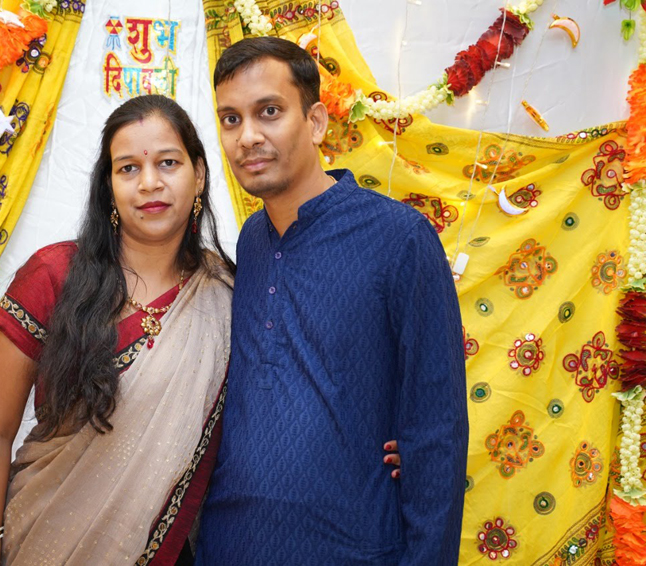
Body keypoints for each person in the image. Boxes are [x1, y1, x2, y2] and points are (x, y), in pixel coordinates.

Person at [194, 37, 468, 565]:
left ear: (316, 122)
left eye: (269, 112)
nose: (248, 137)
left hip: (352, 548)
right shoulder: (251, 242)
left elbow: (437, 430)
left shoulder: (399, 238)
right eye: (231, 119)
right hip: (232, 543)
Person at [0, 95, 235, 566]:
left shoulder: (227, 295)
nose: (149, 183)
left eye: (168, 163)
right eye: (128, 168)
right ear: (108, 186)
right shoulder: (53, 276)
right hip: (42, 541)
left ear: (200, 174)